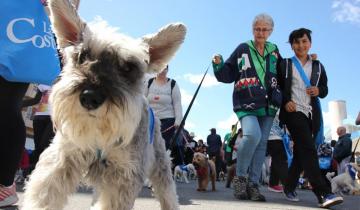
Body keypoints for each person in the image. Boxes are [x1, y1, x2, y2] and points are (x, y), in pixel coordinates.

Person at [212, 13, 282, 201]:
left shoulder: (274, 51)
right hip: (246, 100)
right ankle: (240, 178)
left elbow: (283, 74)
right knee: (252, 135)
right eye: (257, 29)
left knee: (261, 145)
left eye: (264, 29)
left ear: (271, 31)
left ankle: (253, 185)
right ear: (253, 30)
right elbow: (228, 73)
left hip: (269, 104)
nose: (260, 32)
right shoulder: (243, 48)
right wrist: (218, 64)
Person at [278, 28, 343, 208]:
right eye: (297, 42)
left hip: (312, 114)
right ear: (291, 46)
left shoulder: (318, 66)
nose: (301, 45)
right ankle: (323, 192)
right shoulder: (285, 64)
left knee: (301, 152)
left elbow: (325, 89)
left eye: (304, 41)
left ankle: (289, 186)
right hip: (293, 112)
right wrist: (285, 101)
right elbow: (277, 87)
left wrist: (318, 90)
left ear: (310, 43)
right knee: (308, 149)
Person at [144, 65, 183, 150]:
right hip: (150, 119)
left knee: (162, 146)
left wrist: (178, 120)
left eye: (165, 68)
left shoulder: (173, 84)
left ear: (167, 70)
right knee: (148, 144)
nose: (162, 70)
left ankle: (162, 162)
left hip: (168, 120)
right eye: (160, 67)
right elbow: (143, 100)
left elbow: (177, 103)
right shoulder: (149, 82)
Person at [22, 84, 54, 176]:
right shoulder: (43, 83)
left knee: (45, 144)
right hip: (39, 117)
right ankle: (33, 171)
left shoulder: (65, 80)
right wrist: (19, 103)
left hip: (53, 117)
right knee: (38, 146)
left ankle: (44, 171)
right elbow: (36, 100)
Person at [267, 112, 288, 193]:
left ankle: (273, 183)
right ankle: (287, 186)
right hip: (273, 135)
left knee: (276, 160)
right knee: (281, 160)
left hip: (274, 134)